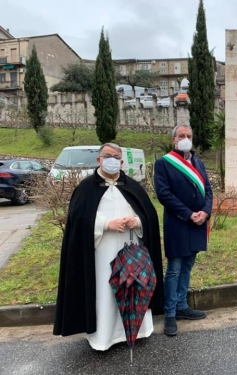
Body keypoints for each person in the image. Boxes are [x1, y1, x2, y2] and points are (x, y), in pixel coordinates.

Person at [53, 143, 164, 350]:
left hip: (130, 252)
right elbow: (78, 219)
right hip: (100, 252)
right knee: (105, 291)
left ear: (122, 162)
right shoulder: (86, 187)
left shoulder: (132, 186)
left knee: (132, 286)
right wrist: (105, 224)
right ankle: (104, 337)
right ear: (99, 160)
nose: (112, 160)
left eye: (116, 157)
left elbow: (149, 215)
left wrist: (137, 221)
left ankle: (137, 331)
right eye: (107, 156)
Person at [154, 124, 213, 337]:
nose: (185, 138)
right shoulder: (164, 163)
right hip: (179, 222)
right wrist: (189, 214)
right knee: (175, 268)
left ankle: (182, 307)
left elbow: (208, 191)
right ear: (174, 140)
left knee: (188, 266)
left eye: (189, 135)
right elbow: (164, 194)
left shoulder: (199, 163)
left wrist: (205, 212)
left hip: (198, 222)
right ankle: (170, 313)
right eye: (181, 135)